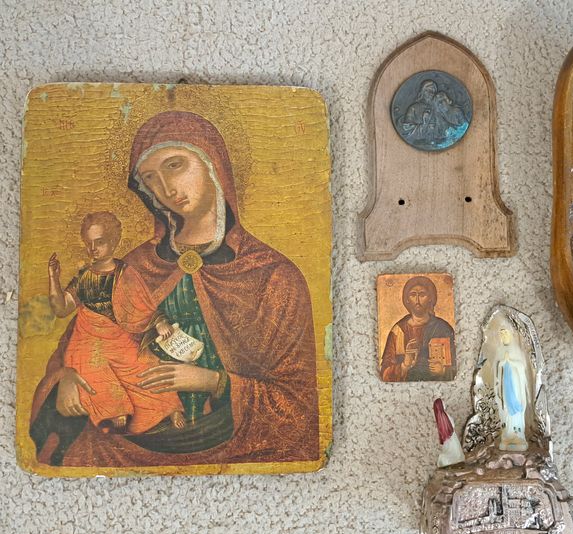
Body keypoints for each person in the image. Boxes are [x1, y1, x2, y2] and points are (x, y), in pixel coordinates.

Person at [30, 111, 319, 467]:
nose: (166, 189)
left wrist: (214, 382)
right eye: (151, 178)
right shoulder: (133, 266)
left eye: (175, 165)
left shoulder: (273, 276)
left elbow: (298, 408)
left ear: (213, 163)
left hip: (236, 445)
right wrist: (66, 379)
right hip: (124, 441)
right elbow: (78, 340)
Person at [48, 212, 184, 434]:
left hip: (119, 337)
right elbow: (61, 309)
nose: (93, 248)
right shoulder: (83, 277)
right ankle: (115, 410)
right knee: (91, 366)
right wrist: (54, 278)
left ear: (113, 242)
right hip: (88, 337)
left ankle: (169, 408)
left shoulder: (125, 273)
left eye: (99, 242)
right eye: (89, 243)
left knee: (144, 364)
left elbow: (144, 305)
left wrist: (159, 322)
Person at [380, 276, 456, 382]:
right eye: (412, 295)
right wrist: (404, 365)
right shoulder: (398, 331)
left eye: (422, 295)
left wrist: (443, 371)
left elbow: (458, 366)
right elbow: (384, 374)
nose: (417, 300)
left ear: (430, 298)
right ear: (407, 299)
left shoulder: (443, 328)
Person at [492, 328, 529, 452]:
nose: (504, 336)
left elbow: (522, 366)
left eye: (505, 333)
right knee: (506, 408)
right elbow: (497, 368)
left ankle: (518, 435)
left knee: (516, 407)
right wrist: (503, 362)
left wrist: (511, 361)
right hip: (505, 386)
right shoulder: (499, 350)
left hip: (515, 385)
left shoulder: (516, 350)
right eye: (501, 334)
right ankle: (507, 435)